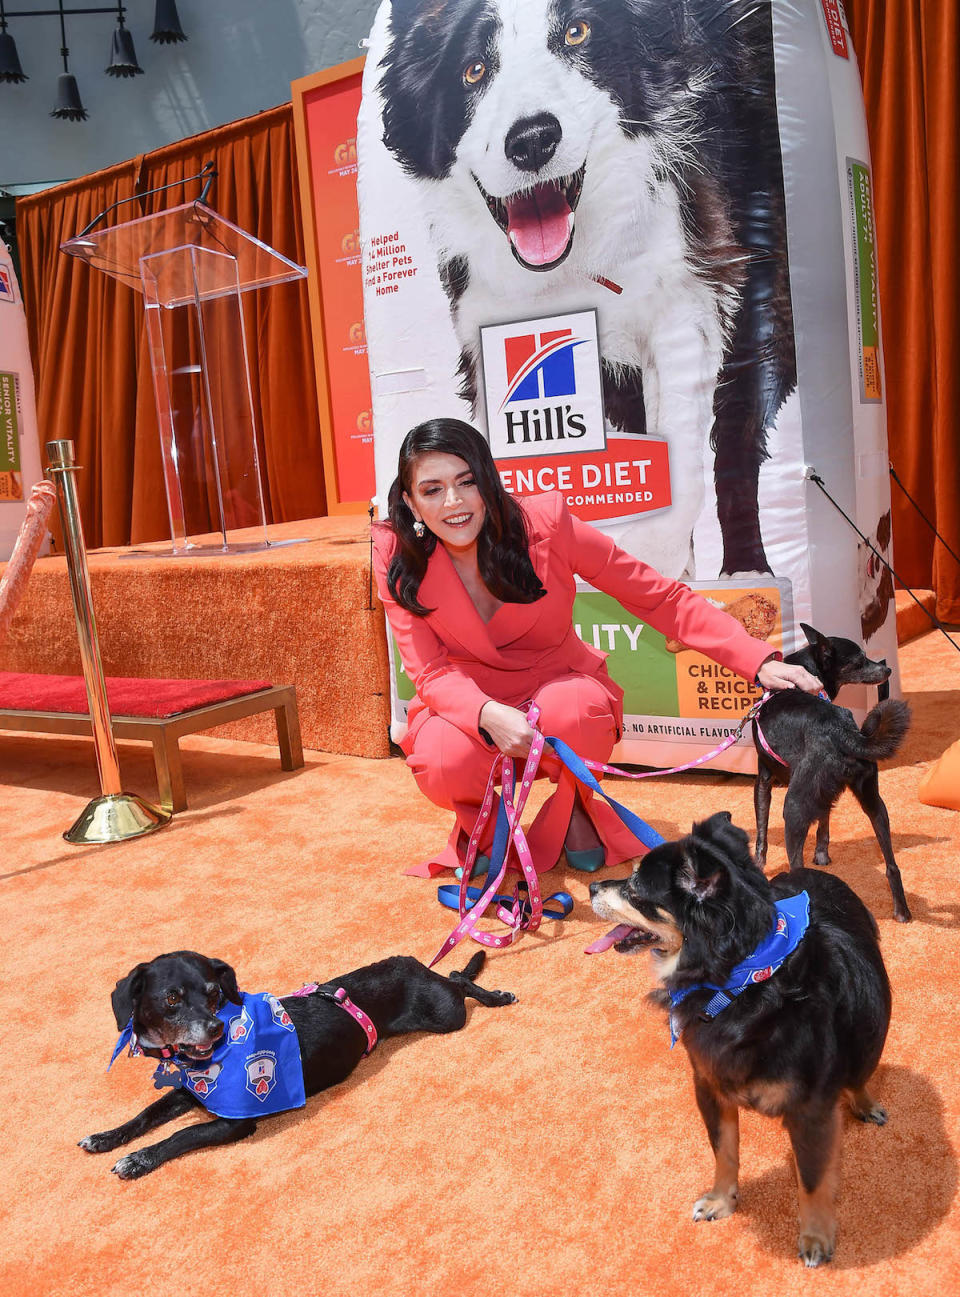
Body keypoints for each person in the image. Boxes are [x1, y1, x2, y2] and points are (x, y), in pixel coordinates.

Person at [372, 418, 822, 878]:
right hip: (466, 697)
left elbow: (656, 596)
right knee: (442, 755)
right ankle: (481, 825)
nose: (454, 502)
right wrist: (485, 711)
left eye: (466, 482)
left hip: (555, 680)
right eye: (432, 489)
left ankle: (576, 808)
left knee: (576, 710)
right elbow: (428, 672)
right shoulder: (394, 553)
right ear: (410, 501)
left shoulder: (545, 526)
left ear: (488, 480)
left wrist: (756, 659)